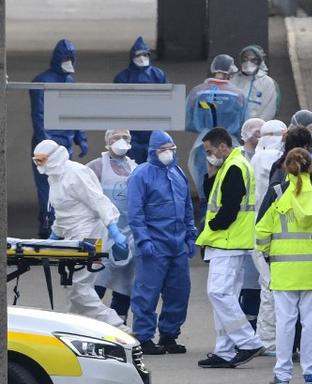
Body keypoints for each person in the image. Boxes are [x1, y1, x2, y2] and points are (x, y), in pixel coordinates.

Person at [256, 148, 312, 384]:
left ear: (286, 166)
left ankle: (282, 375)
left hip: (284, 270)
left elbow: (261, 231)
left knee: (285, 322)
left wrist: (268, 254)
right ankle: (311, 373)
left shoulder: (276, 193)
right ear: (310, 166)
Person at [32, 140, 127, 332]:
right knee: (73, 289)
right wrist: (54, 236)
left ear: (52, 157)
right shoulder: (54, 177)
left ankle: (118, 328)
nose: (38, 165)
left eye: (41, 160)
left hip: (89, 235)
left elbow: (98, 200)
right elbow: (63, 210)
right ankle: (75, 330)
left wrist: (114, 231)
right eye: (36, 161)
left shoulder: (76, 173)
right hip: (71, 237)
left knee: (79, 289)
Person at [196, 127, 265, 368]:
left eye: (209, 150)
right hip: (229, 241)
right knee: (226, 297)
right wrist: (211, 170)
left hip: (227, 240)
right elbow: (212, 194)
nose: (208, 155)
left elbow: (229, 208)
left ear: (223, 146)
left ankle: (248, 341)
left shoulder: (235, 166)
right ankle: (224, 351)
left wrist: (213, 225)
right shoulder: (230, 164)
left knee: (219, 293)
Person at [127, 131, 196, 355]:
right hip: (154, 244)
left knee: (179, 291)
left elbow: (187, 207)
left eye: (171, 149)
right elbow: (135, 213)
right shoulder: (141, 175)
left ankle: (169, 335)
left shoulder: (177, 173)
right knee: (147, 292)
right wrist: (143, 240)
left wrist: (190, 234)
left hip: (177, 245)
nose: (168, 153)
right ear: (153, 150)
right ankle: (144, 337)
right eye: (163, 149)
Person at [30, 39, 88, 238]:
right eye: (66, 58)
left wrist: (80, 136)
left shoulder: (70, 83)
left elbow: (75, 112)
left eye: (71, 58)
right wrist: (44, 145)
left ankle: (62, 224)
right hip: (45, 145)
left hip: (65, 144)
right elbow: (38, 116)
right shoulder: (41, 81)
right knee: (46, 186)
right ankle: (47, 222)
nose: (69, 62)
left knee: (64, 185)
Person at [88, 129, 138, 325]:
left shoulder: (136, 168)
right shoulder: (96, 167)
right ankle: (88, 325)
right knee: (96, 284)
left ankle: (118, 326)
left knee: (124, 286)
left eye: (125, 137)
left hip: (129, 237)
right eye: (116, 137)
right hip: (102, 236)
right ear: (107, 141)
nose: (121, 141)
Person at [185, 54, 247, 204]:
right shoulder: (238, 94)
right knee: (230, 187)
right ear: (230, 72)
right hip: (229, 144)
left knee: (204, 185)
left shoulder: (197, 92)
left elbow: (188, 122)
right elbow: (244, 123)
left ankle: (207, 217)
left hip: (203, 145)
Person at [250, 119, 286, 356]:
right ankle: (267, 338)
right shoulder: (268, 158)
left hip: (260, 225)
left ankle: (267, 336)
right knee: (270, 284)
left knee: (269, 282)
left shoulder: (256, 156)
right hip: (269, 227)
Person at [114, 36, 167, 163]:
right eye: (139, 55)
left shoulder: (158, 75)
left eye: (145, 54)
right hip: (131, 130)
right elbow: (115, 104)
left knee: (153, 165)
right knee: (132, 166)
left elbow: (167, 100)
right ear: (132, 57)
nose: (142, 58)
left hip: (153, 126)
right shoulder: (123, 77)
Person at [239, 118, 265, 331]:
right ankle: (247, 328)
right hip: (243, 229)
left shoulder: (267, 158)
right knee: (247, 282)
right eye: (256, 132)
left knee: (259, 281)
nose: (260, 137)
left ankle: (257, 327)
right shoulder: (238, 159)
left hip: (262, 227)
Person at [231, 45, 280, 121]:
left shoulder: (267, 83)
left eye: (253, 60)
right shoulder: (234, 79)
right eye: (245, 59)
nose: (248, 63)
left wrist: (256, 127)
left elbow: (269, 110)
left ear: (259, 61)